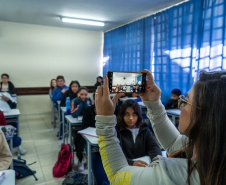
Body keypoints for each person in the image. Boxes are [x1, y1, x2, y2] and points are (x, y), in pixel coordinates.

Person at [94, 70, 226, 185]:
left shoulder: (171, 175)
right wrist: (153, 104)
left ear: (207, 117)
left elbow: (117, 175)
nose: (180, 105)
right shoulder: (213, 154)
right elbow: (174, 143)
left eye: (186, 101)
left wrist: (105, 120)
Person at [116, 99, 162, 166]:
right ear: (122, 116)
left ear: (138, 115)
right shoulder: (117, 131)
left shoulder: (144, 130)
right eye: (127, 114)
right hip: (125, 168)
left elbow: (154, 148)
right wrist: (132, 163)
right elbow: (116, 155)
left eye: (134, 114)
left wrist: (155, 161)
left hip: (143, 166)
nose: (131, 118)